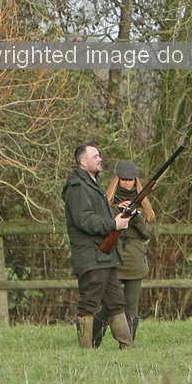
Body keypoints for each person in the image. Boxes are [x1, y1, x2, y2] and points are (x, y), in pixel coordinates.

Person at [62, 143, 135, 349]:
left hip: (103, 254)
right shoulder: (77, 187)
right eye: (95, 156)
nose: (100, 159)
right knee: (89, 303)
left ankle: (127, 347)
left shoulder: (92, 184)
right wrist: (114, 224)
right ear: (83, 162)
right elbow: (84, 220)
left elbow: (97, 217)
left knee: (116, 302)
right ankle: (86, 350)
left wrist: (119, 217)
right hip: (91, 255)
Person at [93, 159, 155, 347]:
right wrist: (117, 212)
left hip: (135, 261)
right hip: (113, 258)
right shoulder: (107, 203)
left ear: (136, 181)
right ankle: (93, 340)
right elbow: (100, 226)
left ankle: (127, 345)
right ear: (118, 180)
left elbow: (148, 233)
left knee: (131, 305)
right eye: (124, 179)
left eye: (131, 179)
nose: (127, 183)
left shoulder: (144, 206)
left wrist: (135, 216)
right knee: (111, 303)